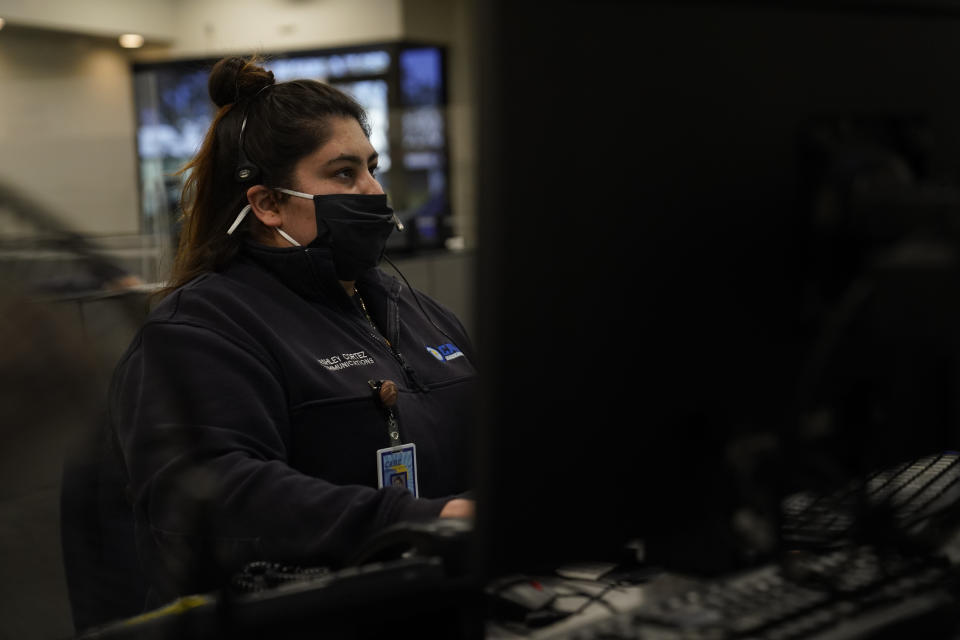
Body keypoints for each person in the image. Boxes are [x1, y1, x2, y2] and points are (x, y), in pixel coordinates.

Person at [108, 55, 477, 607]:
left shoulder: (412, 308)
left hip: (454, 597)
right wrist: (423, 518)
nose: (374, 192)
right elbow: (217, 494)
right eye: (343, 173)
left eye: (372, 167)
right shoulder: (202, 330)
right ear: (268, 204)